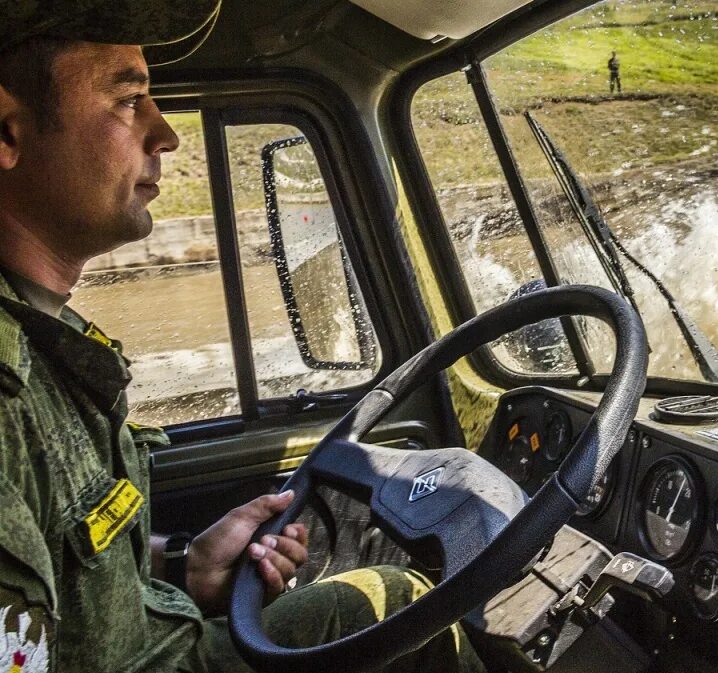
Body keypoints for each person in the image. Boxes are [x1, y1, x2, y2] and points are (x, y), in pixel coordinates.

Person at [0, 2, 483, 671]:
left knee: (378, 599)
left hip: (166, 639)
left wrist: (183, 563)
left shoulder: (46, 341)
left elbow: (78, 581)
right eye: (130, 99)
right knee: (398, 607)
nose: (164, 134)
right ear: (7, 129)